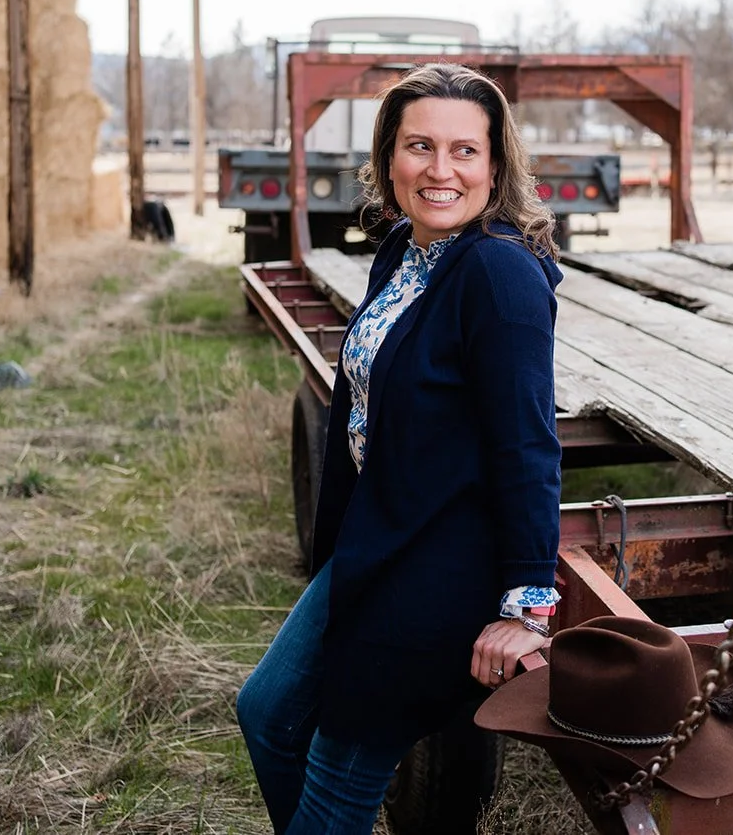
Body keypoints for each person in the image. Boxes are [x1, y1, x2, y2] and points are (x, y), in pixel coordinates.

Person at [235, 62, 565, 834]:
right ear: (388, 158)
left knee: (337, 777)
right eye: (420, 146)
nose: (440, 169)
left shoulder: (498, 274)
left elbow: (529, 447)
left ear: (495, 165)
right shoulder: (404, 255)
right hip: (376, 549)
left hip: (439, 572)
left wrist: (527, 606)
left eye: (464, 150)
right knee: (268, 714)